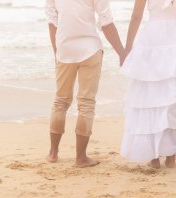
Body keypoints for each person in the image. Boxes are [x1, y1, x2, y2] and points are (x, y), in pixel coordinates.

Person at [120, 0, 176, 169]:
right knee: (174, 100)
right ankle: (170, 156)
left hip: (153, 40)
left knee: (153, 99)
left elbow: (136, 17)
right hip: (174, 42)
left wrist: (127, 49)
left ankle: (155, 156)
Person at [45, 0, 126, 168]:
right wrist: (122, 53)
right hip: (90, 49)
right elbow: (106, 22)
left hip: (64, 49)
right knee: (86, 103)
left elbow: (52, 20)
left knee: (60, 101)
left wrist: (57, 52)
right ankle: (80, 158)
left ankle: (53, 153)